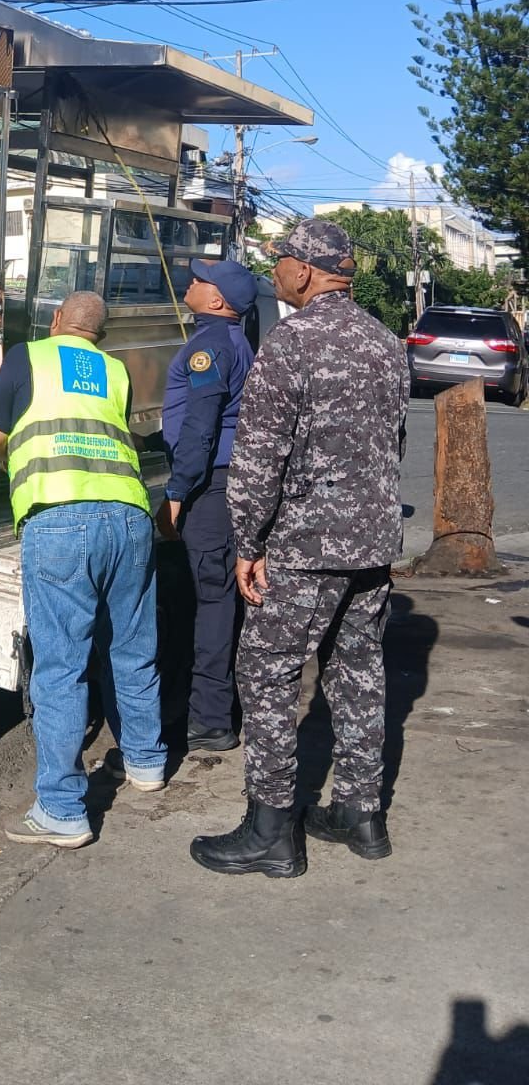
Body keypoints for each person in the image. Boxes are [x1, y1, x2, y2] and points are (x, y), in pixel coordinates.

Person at [190, 219, 408, 879]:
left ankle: (271, 830)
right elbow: (393, 446)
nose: (275, 270)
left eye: (280, 260)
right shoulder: (386, 343)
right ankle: (361, 815)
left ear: (306, 271)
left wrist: (248, 543)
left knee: (266, 672)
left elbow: (259, 458)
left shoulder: (291, 342)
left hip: (306, 545)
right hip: (371, 543)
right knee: (359, 671)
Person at [0, 291, 165, 849]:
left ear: (57, 320)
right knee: (132, 646)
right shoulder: (115, 370)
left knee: (60, 667)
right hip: (130, 516)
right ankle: (147, 761)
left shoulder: (27, 356)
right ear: (98, 334)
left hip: (60, 519)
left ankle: (61, 809)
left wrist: (6, 458)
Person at [155, 258, 257, 751]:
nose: (190, 284)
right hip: (223, 480)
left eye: (199, 281)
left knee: (211, 600)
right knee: (217, 596)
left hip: (210, 487)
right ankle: (211, 709)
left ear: (217, 300)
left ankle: (210, 720)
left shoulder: (211, 346)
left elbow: (201, 425)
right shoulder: (231, 341)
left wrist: (176, 492)